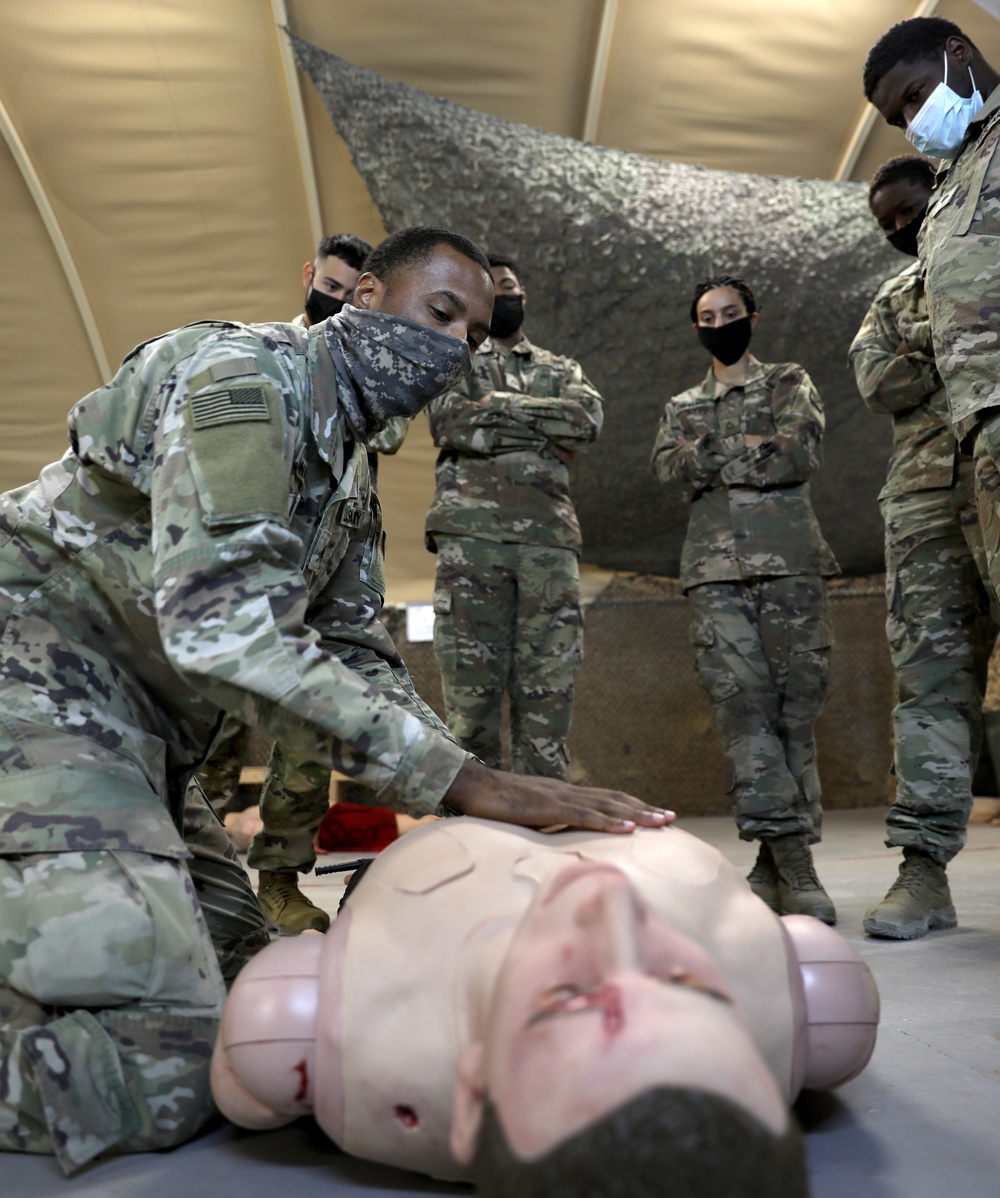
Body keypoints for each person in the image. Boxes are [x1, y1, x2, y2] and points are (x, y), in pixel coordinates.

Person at [0, 226, 668, 1175]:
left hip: (144, 737)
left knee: (255, 1004)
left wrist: (471, 782)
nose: (451, 351)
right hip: (36, 693)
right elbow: (228, 634)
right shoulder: (245, 385)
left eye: (472, 337)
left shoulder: (349, 471)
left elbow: (356, 651)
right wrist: (462, 781)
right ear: (363, 300)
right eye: (438, 315)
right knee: (154, 1070)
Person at [212, 818, 879, 1196]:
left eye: (565, 998)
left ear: (470, 1099)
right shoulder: (791, 1011)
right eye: (689, 984)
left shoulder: (352, 1037)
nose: (606, 899)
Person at [650, 276, 840, 924]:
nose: (720, 322)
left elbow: (800, 452)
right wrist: (754, 447)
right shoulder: (681, 403)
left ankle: (768, 860)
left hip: (792, 568)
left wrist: (710, 452)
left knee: (794, 715)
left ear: (752, 317)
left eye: (731, 312)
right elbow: (669, 468)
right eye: (708, 315)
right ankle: (797, 865)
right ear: (696, 327)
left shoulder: (789, 380)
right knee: (744, 713)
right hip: (715, 574)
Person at [849, 155, 998, 940]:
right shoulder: (890, 300)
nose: (901, 231)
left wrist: (939, 351)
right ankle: (924, 873)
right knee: (930, 686)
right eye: (889, 226)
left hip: (994, 474)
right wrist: (961, 340)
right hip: (924, 503)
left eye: (909, 212)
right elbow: (876, 379)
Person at [425, 254, 603, 779]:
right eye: (493, 288)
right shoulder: (453, 360)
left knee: (548, 701)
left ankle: (542, 840)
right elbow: (450, 424)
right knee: (469, 708)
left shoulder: (561, 369)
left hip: (548, 547)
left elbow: (586, 420)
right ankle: (477, 842)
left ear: (523, 294)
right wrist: (543, 427)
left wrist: (498, 406)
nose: (505, 294)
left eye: (510, 285)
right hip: (469, 545)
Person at [864, 20, 1000, 596]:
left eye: (915, 97)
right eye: (898, 120)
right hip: (984, 427)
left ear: (957, 52)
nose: (913, 124)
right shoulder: (952, 177)